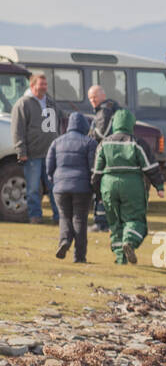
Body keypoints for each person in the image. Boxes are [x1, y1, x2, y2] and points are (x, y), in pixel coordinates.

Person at [91, 109, 164, 264]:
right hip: (132, 185)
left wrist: (97, 193)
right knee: (135, 219)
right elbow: (150, 167)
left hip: (108, 186)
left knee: (115, 222)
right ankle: (129, 241)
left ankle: (120, 258)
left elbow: (97, 172)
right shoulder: (137, 143)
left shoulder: (104, 143)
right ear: (131, 124)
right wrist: (159, 186)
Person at [44, 112, 98, 263]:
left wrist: (54, 181)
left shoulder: (57, 142)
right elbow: (93, 167)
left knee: (64, 217)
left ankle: (64, 241)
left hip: (60, 187)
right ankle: (79, 257)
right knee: (80, 220)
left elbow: (49, 167)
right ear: (84, 126)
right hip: (82, 188)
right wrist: (94, 187)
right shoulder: (90, 142)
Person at [11, 70, 61, 224]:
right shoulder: (23, 103)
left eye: (45, 84)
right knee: (33, 188)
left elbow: (59, 121)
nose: (44, 87)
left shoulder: (51, 103)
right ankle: (35, 216)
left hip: (51, 153)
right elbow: (17, 129)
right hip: (32, 154)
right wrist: (21, 151)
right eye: (41, 84)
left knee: (54, 187)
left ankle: (59, 217)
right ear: (33, 86)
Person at [87, 84, 121, 232]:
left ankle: (101, 223)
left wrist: (88, 136)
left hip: (105, 157)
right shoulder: (112, 109)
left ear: (102, 96)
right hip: (114, 156)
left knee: (100, 188)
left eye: (94, 97)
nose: (92, 100)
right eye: (90, 98)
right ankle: (110, 222)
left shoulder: (104, 111)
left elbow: (101, 134)